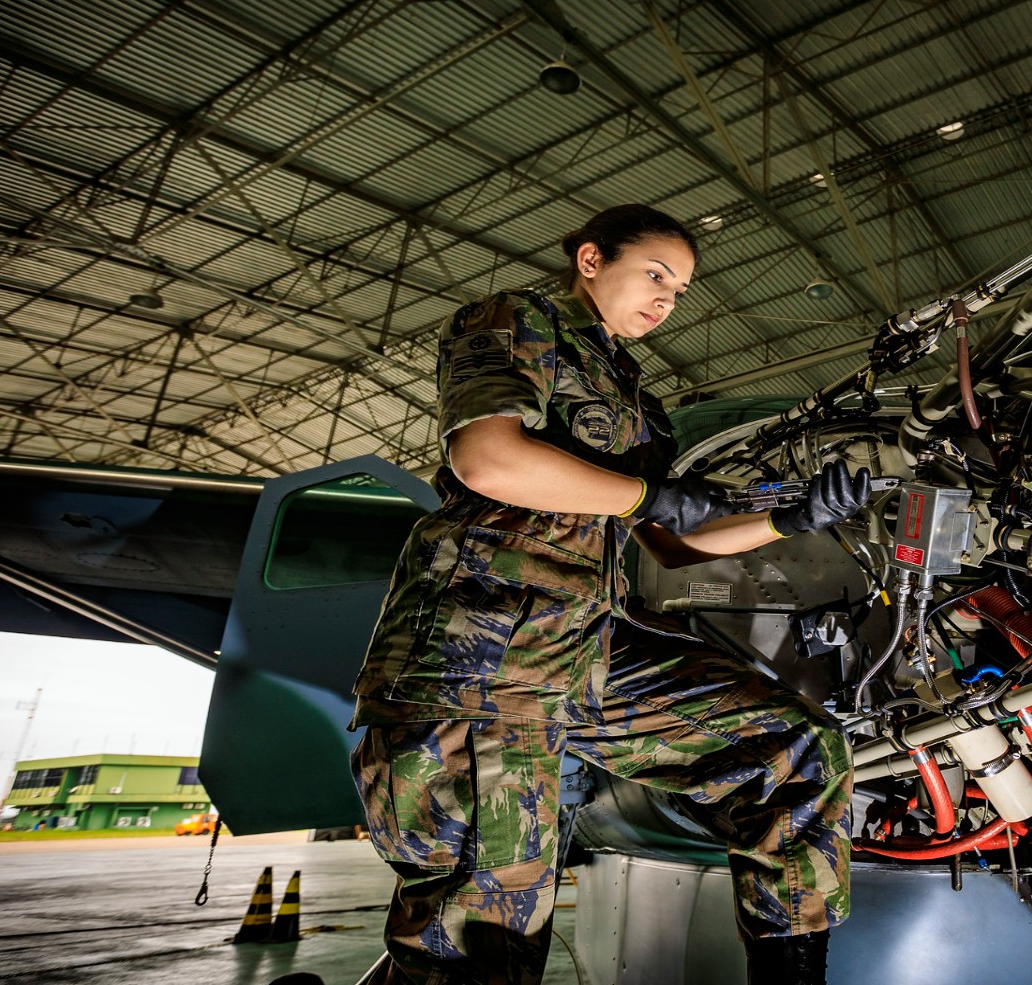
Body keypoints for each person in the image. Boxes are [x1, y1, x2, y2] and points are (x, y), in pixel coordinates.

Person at [349, 204, 870, 984]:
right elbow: (486, 459)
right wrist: (645, 497)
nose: (666, 298)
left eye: (681, 290)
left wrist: (791, 520)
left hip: (589, 652)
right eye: (655, 274)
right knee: (483, 935)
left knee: (792, 749)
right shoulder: (518, 320)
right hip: (485, 654)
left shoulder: (637, 402)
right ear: (592, 259)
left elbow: (677, 541)